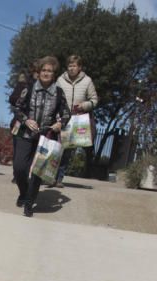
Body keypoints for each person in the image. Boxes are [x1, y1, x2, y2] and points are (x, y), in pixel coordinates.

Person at [11, 56, 70, 217]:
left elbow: (66, 113)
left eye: (49, 71)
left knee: (38, 171)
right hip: (25, 133)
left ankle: (29, 202)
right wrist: (26, 120)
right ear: (39, 72)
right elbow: (17, 108)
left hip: (46, 136)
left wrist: (60, 124)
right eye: (44, 70)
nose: (46, 73)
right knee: (19, 168)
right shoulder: (29, 88)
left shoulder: (58, 92)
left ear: (54, 74)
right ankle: (23, 192)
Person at [54, 55, 99, 187]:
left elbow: (94, 100)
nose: (71, 68)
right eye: (69, 66)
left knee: (67, 150)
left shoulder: (87, 81)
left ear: (80, 67)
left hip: (77, 118)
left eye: (74, 66)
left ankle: (59, 179)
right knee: (56, 147)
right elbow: (54, 96)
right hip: (60, 117)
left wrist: (85, 105)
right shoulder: (60, 80)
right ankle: (49, 175)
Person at [8, 71, 31, 183]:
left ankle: (25, 175)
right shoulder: (22, 85)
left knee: (30, 152)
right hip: (19, 122)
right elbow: (12, 99)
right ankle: (16, 174)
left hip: (35, 124)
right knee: (17, 149)